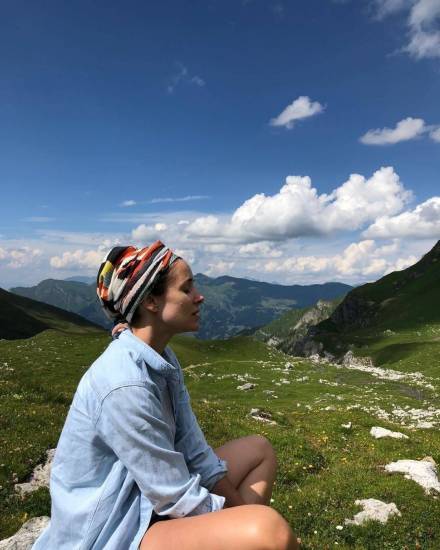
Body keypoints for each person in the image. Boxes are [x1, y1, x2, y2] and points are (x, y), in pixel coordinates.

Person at [33, 241, 299, 550]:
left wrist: (242, 517)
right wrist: (248, 525)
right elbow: (173, 495)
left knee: (259, 450)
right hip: (114, 528)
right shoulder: (124, 383)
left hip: (145, 501)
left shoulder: (163, 359)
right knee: (270, 531)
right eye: (186, 289)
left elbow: (196, 453)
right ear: (150, 301)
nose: (199, 296)